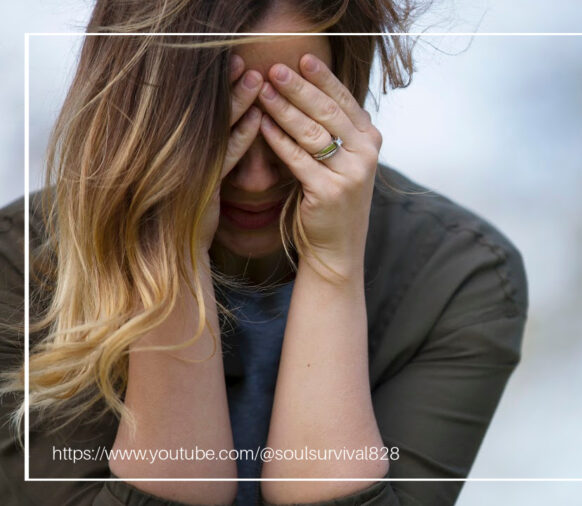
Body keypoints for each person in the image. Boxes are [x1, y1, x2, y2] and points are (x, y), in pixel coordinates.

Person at [0, 1, 528, 505]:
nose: (254, 181)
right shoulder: (16, 266)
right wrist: (171, 251)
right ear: (136, 122)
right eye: (216, 128)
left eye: (292, 121)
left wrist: (332, 266)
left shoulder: (459, 275)